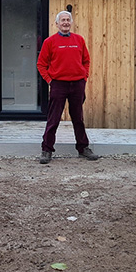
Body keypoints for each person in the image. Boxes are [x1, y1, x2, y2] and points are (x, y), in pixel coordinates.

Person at [36, 10, 99, 164]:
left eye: (68, 20)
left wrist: (84, 77)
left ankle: (83, 148)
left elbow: (86, 61)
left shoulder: (79, 40)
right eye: (62, 20)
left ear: (71, 23)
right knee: (54, 118)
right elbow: (41, 64)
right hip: (58, 84)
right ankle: (47, 149)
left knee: (78, 118)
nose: (65, 22)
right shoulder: (49, 42)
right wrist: (50, 81)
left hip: (77, 84)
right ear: (57, 24)